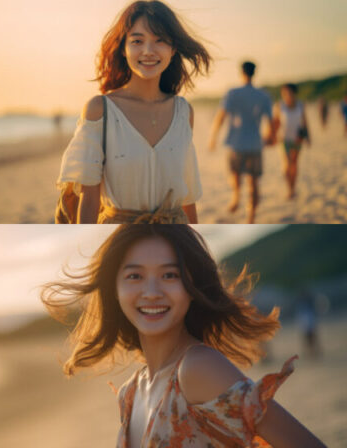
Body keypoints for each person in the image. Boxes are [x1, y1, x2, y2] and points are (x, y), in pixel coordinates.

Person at [41, 225, 325, 447]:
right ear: (113, 290)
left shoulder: (197, 368)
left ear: (192, 286)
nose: (151, 292)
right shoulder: (131, 392)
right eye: (134, 276)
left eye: (170, 275)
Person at [57, 1, 208, 224]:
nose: (148, 51)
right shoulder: (101, 110)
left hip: (175, 231)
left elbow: (187, 196)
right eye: (137, 41)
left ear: (173, 48)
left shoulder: (184, 113)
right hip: (118, 231)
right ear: (123, 48)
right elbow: (89, 199)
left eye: (160, 41)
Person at [208, 61, 274, 223]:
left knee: (235, 174)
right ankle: (251, 216)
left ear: (241, 72)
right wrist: (270, 137)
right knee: (254, 182)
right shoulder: (264, 95)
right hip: (255, 143)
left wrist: (214, 137)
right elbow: (271, 122)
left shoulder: (233, 93)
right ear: (254, 73)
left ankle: (236, 197)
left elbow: (221, 116)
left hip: (236, 143)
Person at [272, 83, 311, 199]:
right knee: (286, 165)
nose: (287, 95)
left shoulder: (300, 105)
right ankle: (289, 189)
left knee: (294, 165)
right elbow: (276, 123)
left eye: (289, 92)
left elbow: (305, 122)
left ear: (294, 93)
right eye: (284, 93)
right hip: (283, 139)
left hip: (297, 139)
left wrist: (308, 137)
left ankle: (293, 188)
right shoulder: (279, 106)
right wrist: (272, 137)